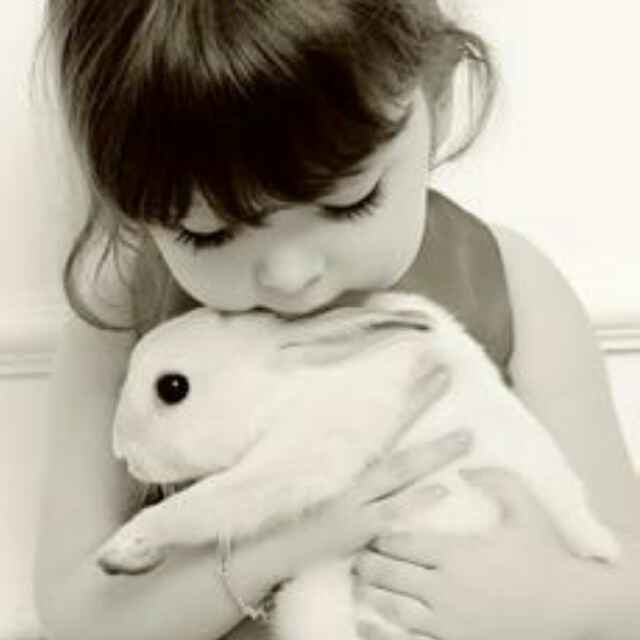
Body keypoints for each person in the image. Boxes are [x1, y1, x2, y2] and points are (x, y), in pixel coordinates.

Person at [33, 2, 640, 639]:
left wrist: (547, 603)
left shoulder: (508, 279)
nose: (291, 275)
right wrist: (280, 545)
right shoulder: (122, 312)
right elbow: (77, 617)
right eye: (207, 234)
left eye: (351, 201)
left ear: (437, 98)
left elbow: (624, 574)